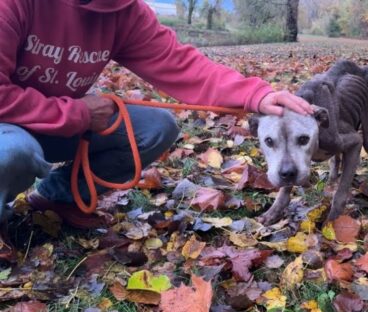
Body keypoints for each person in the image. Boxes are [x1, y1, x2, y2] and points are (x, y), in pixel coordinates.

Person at [0, 0, 313, 233]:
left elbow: (179, 63)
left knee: (155, 127)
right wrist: (77, 113)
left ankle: (58, 198)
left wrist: (256, 94)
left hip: (60, 122)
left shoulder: (120, 10)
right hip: (9, 125)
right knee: (12, 153)